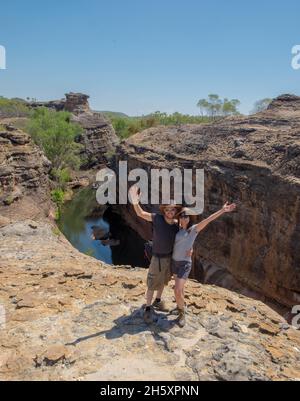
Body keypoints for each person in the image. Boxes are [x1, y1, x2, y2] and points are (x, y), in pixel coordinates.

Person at [172, 202, 236, 328]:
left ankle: (182, 314)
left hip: (184, 263)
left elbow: (208, 219)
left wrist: (222, 210)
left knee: (177, 290)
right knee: (181, 290)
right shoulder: (176, 229)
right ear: (179, 218)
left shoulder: (193, 229)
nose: (184, 218)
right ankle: (180, 306)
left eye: (187, 216)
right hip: (174, 262)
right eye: (182, 216)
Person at [129, 185, 183, 323]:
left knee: (164, 281)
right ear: (164, 210)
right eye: (167, 209)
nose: (170, 211)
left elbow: (182, 239)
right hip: (157, 258)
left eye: (172, 209)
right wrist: (135, 202)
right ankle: (148, 308)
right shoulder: (157, 218)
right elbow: (141, 214)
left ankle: (158, 301)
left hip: (169, 258)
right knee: (152, 283)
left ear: (175, 211)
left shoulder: (177, 225)